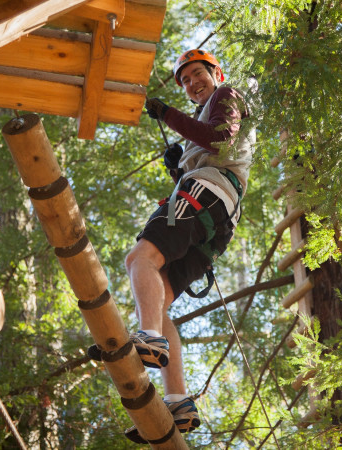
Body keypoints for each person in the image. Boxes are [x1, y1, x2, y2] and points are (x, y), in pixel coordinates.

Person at [90, 49, 255, 443]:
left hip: (206, 194)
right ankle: (178, 399)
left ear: (216, 73)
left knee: (139, 258)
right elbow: (212, 142)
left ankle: (148, 337)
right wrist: (179, 166)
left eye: (197, 74)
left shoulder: (225, 94)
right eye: (185, 80)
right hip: (216, 211)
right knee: (159, 298)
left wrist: (167, 115)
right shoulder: (205, 111)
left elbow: (219, 137)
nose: (191, 83)